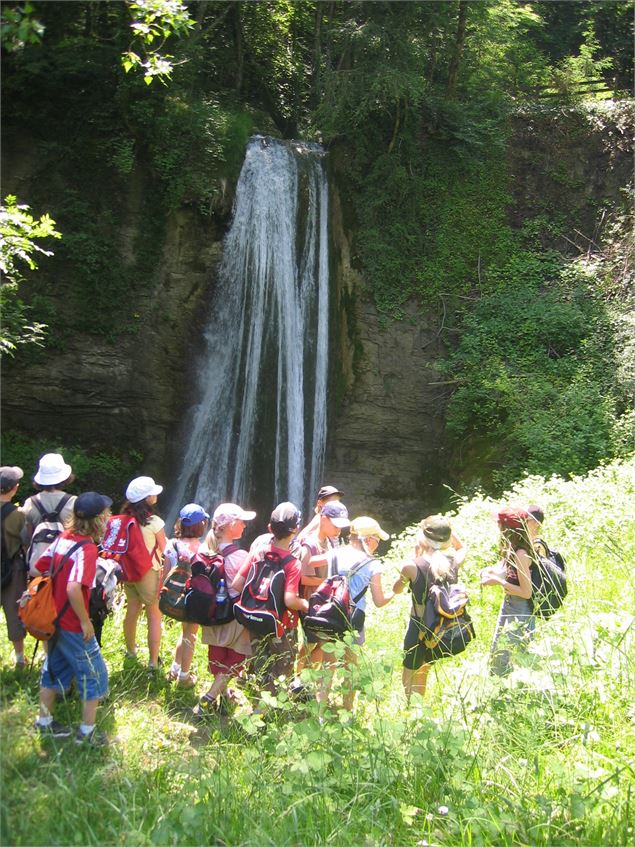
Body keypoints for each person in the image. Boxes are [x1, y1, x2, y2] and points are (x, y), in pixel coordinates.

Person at [33, 491, 112, 745]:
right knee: (95, 675)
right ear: (100, 519)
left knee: (53, 669)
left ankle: (44, 723)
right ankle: (86, 734)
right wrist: (85, 621)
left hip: (52, 619)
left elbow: (40, 565)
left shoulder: (62, 538)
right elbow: (73, 587)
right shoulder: (87, 549)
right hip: (72, 624)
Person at [311, 515, 395, 711]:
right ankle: (347, 710)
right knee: (350, 667)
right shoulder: (373, 564)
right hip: (352, 620)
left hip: (330, 614)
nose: (377, 545)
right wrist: (394, 593)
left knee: (327, 665)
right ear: (368, 540)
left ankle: (320, 713)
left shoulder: (335, 553)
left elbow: (312, 561)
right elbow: (379, 601)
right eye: (376, 540)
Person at [232, 502, 308, 707]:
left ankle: (258, 701)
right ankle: (266, 711)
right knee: (282, 665)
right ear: (296, 530)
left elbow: (237, 584)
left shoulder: (258, 552)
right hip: (282, 625)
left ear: (269, 528)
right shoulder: (293, 563)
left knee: (260, 660)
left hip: (256, 618)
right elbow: (289, 600)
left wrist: (258, 599)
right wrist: (305, 604)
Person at [393, 515, 465, 701]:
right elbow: (462, 547)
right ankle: (418, 710)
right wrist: (446, 531)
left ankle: (411, 711)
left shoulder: (412, 566)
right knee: (424, 669)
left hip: (418, 625)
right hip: (439, 626)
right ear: (447, 539)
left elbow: (397, 589)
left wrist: (414, 556)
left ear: (423, 538)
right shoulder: (455, 562)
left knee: (409, 672)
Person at [194, 502, 256, 717]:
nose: (245, 526)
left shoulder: (204, 550)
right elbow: (248, 586)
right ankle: (208, 699)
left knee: (218, 659)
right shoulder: (239, 557)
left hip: (210, 614)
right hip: (233, 617)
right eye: (241, 522)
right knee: (234, 659)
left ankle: (222, 696)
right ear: (230, 525)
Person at [290, 499, 350, 698]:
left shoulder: (331, 542)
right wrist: (328, 582)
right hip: (311, 603)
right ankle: (298, 680)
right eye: (335, 525)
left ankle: (305, 682)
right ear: (323, 519)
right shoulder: (309, 545)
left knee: (319, 644)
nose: (338, 530)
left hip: (323, 603)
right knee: (311, 643)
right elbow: (302, 577)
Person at [481, 508, 534, 676]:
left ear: (507, 529)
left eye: (500, 524)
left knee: (506, 660)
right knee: (498, 656)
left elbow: (526, 592)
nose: (497, 526)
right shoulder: (512, 548)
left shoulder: (521, 554)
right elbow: (508, 571)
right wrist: (490, 572)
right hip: (509, 606)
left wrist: (499, 582)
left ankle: (509, 693)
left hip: (521, 611)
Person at [121, 476, 166, 671]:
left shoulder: (123, 519)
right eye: (152, 492)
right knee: (154, 615)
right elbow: (165, 549)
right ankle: (153, 662)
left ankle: (130, 651)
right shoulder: (154, 522)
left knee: (132, 610)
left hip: (128, 571)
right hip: (149, 572)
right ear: (147, 498)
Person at [163, 503, 210, 688]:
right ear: (202, 526)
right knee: (190, 635)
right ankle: (184, 676)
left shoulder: (172, 544)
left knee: (184, 633)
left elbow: (165, 570)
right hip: (191, 597)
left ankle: (174, 668)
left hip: (174, 596)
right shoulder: (200, 549)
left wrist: (162, 591)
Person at [22, 453, 76, 576]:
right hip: (66, 566)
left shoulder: (30, 502)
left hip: (38, 566)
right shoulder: (74, 502)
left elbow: (26, 538)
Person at [0, 466, 27, 669]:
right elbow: (25, 541)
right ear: (14, 488)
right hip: (13, 568)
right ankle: (19, 658)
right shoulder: (18, 514)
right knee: (14, 611)